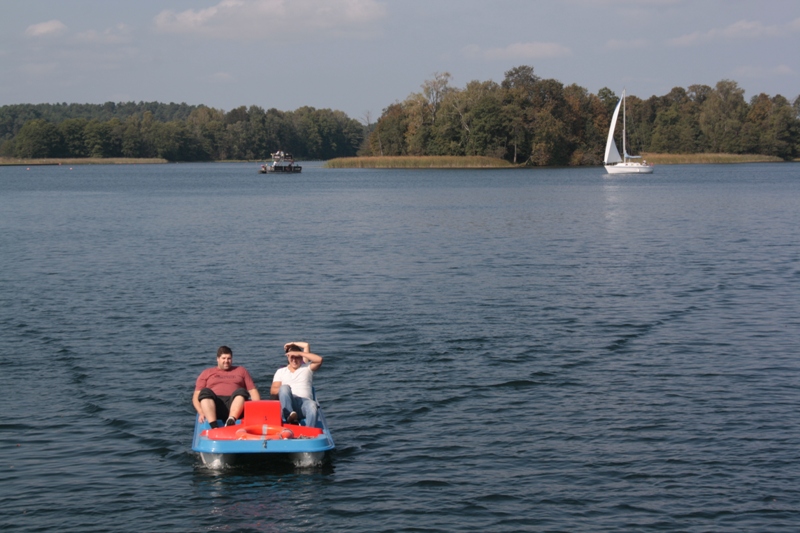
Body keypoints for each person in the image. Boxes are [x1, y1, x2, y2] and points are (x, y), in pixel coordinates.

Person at [193, 346, 260, 428]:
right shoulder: (206, 373)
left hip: (235, 404)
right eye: (223, 358)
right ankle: (214, 425)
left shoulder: (241, 371)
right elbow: (196, 396)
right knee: (205, 392)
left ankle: (231, 420)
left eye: (229, 358)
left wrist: (257, 411)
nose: (226, 361)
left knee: (241, 391)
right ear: (218, 359)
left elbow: (252, 391)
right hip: (214, 405)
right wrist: (201, 412)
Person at [270, 341, 323, 427]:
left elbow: (319, 360)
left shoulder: (307, 367)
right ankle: (290, 417)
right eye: (292, 357)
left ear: (301, 357)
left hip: (304, 403)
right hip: (289, 402)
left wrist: (298, 352)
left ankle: (308, 434)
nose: (294, 360)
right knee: (284, 388)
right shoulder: (281, 371)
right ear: (288, 357)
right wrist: (287, 391)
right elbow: (273, 391)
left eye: (297, 357)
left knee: (312, 405)